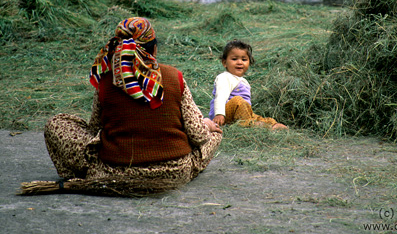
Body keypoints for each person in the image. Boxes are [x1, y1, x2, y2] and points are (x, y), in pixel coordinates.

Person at [44, 17, 222, 193]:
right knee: (215, 133)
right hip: (174, 172)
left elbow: (95, 129)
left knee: (56, 124)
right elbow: (198, 136)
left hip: (112, 172)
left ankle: (80, 173)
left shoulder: (105, 81)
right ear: (154, 49)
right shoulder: (174, 77)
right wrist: (206, 125)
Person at [209, 39, 288, 130]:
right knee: (238, 100)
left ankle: (272, 124)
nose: (239, 62)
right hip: (224, 115)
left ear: (249, 62)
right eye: (234, 59)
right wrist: (219, 114)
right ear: (224, 63)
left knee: (257, 116)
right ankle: (251, 125)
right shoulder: (225, 77)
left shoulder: (243, 81)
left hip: (240, 114)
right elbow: (220, 97)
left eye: (244, 59)